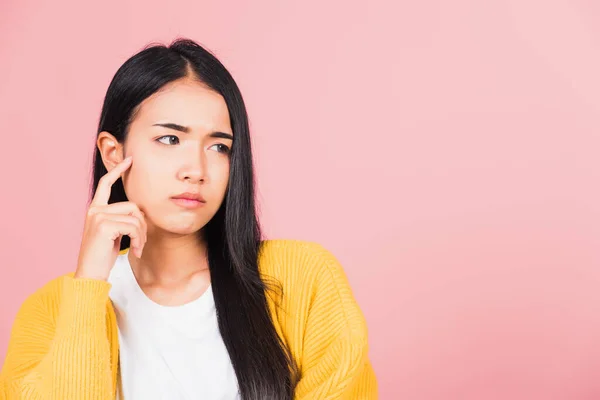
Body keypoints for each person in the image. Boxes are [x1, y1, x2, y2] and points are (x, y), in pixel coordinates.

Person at [0, 38, 377, 400]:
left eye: (218, 147)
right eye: (170, 139)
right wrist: (87, 290)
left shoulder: (303, 279)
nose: (196, 170)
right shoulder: (49, 311)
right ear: (113, 153)